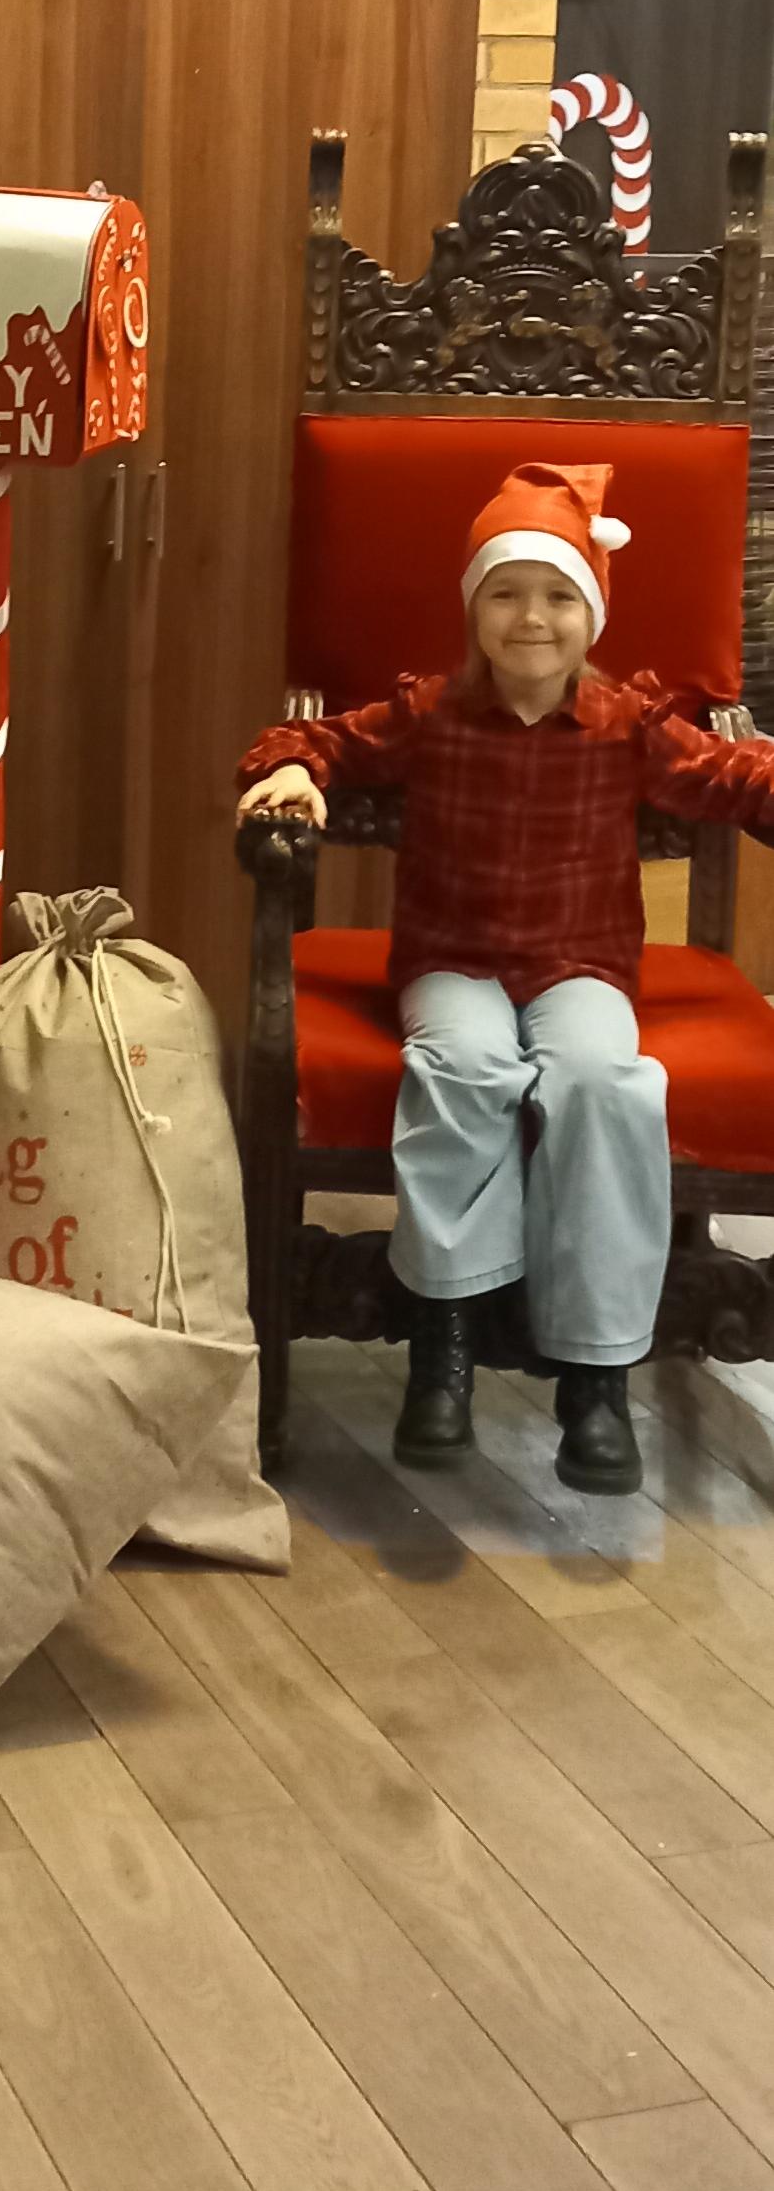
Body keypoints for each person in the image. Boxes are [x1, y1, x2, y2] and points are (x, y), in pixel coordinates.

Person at [237, 461, 774, 1495]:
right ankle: (443, 1336)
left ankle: (595, 1369)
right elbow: (313, 737)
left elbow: (729, 774)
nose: (533, 619)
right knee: (463, 1067)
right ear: (473, 608)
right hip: (454, 961)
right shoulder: (429, 713)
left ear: (592, 614)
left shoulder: (626, 723)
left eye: (559, 596)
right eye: (507, 594)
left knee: (602, 1082)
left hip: (581, 967)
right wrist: (290, 767)